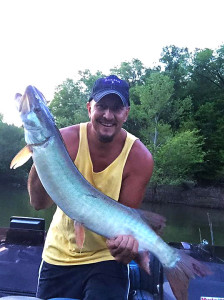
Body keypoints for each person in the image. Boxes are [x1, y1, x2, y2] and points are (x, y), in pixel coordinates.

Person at [28, 75, 154, 300]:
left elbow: (124, 225)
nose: (108, 115)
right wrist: (42, 154)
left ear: (126, 113)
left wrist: (128, 247)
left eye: (116, 108)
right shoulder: (66, 139)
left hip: (105, 257)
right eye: (102, 106)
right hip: (59, 253)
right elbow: (39, 204)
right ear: (89, 108)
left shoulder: (139, 158)